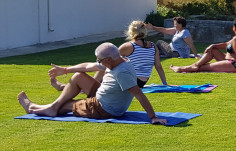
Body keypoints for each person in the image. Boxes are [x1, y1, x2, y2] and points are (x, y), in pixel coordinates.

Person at [17, 42, 167, 124]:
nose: (98, 62)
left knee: (66, 105)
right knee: (78, 76)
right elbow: (88, 66)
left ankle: (35, 108)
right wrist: (64, 70)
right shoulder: (118, 61)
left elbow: (139, 94)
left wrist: (153, 117)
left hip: (104, 108)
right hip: (103, 95)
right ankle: (53, 106)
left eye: (100, 60)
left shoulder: (122, 72)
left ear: (108, 59)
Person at [170, 18, 236, 74]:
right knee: (213, 50)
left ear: (234, 28)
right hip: (229, 61)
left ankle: (182, 68)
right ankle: (194, 66)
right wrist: (213, 45)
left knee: (203, 67)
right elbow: (226, 44)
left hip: (233, 64)